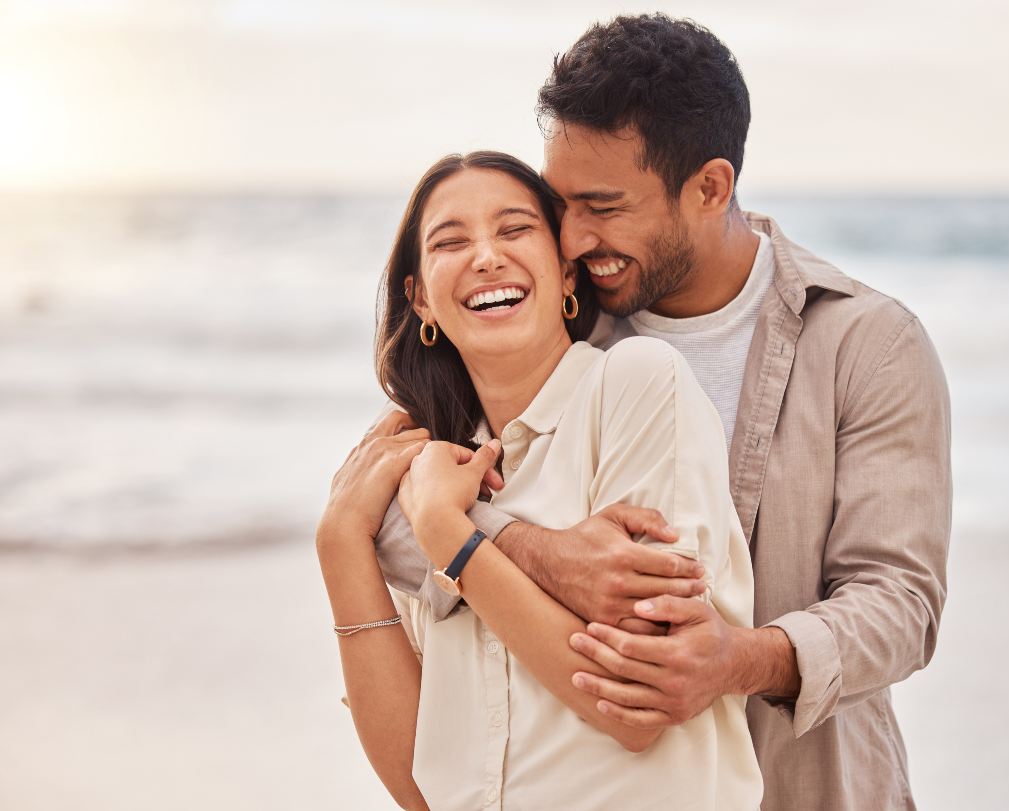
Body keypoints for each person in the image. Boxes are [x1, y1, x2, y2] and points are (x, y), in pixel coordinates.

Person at [375, 14, 952, 811]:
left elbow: (900, 602)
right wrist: (540, 549)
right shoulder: (566, 323)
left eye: (603, 206)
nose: (571, 237)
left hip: (813, 788)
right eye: (560, 202)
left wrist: (736, 658)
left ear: (710, 187)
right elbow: (411, 520)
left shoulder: (866, 342)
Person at [317, 151, 763, 810]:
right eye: (451, 241)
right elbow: (423, 787)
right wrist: (340, 541)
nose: (487, 256)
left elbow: (634, 710)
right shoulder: (429, 473)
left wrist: (452, 536)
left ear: (564, 273)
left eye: (515, 229)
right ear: (420, 299)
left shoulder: (635, 383)